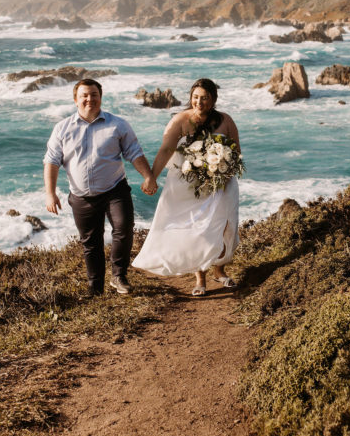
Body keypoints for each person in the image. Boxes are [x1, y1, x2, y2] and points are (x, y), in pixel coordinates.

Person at [44, 78, 157, 296]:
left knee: (124, 228)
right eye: (84, 95)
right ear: (75, 100)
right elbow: (52, 161)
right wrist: (50, 193)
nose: (89, 99)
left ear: (100, 97)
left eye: (94, 95)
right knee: (91, 242)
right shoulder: (62, 129)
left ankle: (118, 276)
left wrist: (148, 177)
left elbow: (133, 152)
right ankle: (95, 287)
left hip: (115, 189)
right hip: (81, 195)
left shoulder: (118, 124)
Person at [132, 78, 240, 296]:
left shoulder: (226, 121)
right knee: (197, 228)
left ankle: (219, 270)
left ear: (213, 100)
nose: (199, 102)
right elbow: (165, 150)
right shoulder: (180, 120)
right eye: (195, 97)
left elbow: (236, 151)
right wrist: (151, 177)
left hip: (221, 183)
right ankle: (200, 277)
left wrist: (224, 168)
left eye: (205, 98)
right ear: (191, 98)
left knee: (225, 225)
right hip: (189, 185)